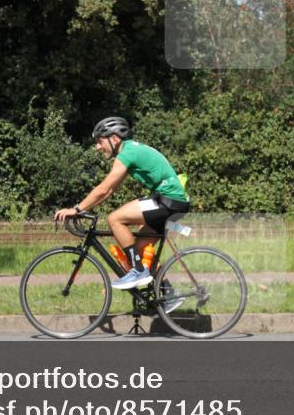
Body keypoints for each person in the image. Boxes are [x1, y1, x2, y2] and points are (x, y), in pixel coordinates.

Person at [54, 116, 191, 293]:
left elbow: (104, 189)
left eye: (99, 141)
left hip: (168, 200)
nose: (97, 147)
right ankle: (169, 293)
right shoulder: (131, 150)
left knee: (115, 219)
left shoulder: (128, 153)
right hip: (172, 202)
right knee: (139, 249)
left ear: (114, 138)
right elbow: (109, 191)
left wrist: (77, 209)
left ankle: (138, 272)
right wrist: (85, 208)